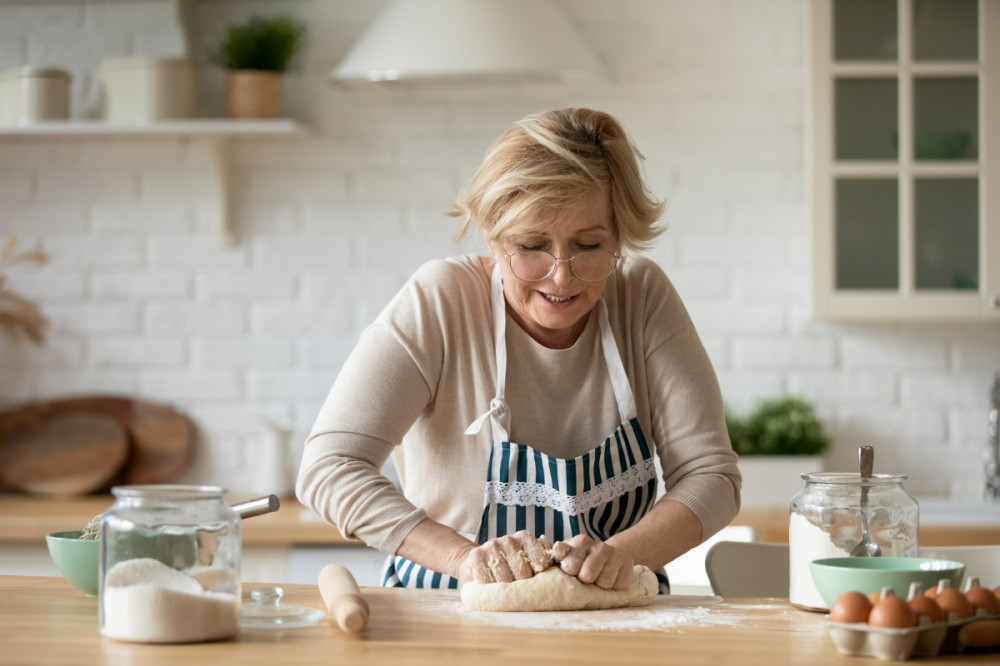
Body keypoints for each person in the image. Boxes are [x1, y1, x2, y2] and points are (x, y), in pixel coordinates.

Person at [296, 107, 741, 593]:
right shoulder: (440, 302)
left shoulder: (642, 298)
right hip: (448, 613)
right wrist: (464, 558)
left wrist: (621, 556)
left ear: (617, 234)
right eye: (531, 245)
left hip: (615, 613)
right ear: (491, 233)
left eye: (589, 245)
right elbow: (329, 468)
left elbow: (712, 477)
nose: (561, 276)